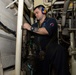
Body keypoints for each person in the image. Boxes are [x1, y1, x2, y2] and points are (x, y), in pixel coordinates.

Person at [23, 5, 70, 75]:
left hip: (53, 51)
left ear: (43, 11)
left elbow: (46, 31)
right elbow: (28, 32)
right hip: (41, 54)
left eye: (37, 12)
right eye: (34, 13)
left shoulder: (51, 21)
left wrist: (30, 28)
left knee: (60, 53)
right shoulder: (35, 25)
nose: (36, 15)